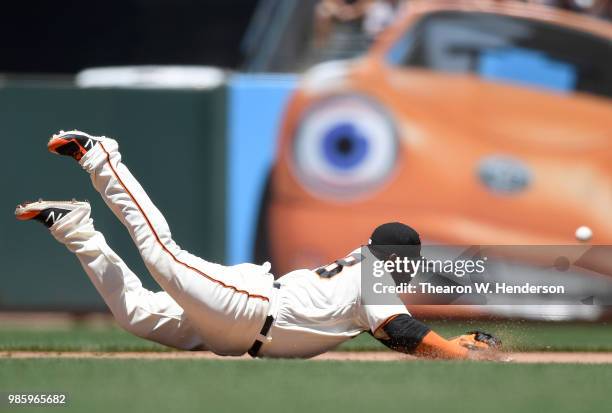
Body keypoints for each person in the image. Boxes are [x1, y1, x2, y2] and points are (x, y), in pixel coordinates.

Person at [16, 130, 502, 359]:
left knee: (135, 314)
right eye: (406, 265)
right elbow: (397, 329)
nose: (406, 272)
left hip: (238, 332)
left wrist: (449, 344)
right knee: (162, 253)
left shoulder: (365, 270)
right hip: (248, 309)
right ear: (396, 261)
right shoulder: (373, 277)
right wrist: (457, 356)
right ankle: (100, 156)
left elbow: (390, 329)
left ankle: (74, 227)